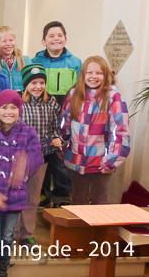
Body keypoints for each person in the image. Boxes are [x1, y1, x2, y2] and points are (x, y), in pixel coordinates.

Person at [0, 90, 42, 277]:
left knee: (8, 236)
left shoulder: (28, 132)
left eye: (14, 108)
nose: (9, 112)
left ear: (19, 110)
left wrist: (26, 162)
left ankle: (2, 269)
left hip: (16, 196)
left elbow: (37, 158)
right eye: (4, 107)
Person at [61, 56, 130, 205]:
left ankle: (98, 229)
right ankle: (79, 229)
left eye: (98, 73)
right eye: (89, 72)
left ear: (106, 75)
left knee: (100, 201)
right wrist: (63, 148)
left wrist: (111, 161)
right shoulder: (74, 94)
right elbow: (64, 124)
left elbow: (121, 131)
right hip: (76, 159)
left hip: (101, 162)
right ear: (83, 75)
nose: (93, 76)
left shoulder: (114, 97)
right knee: (78, 199)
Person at [17, 64, 65, 247]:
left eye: (41, 82)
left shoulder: (51, 103)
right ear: (26, 84)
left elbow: (56, 129)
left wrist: (57, 139)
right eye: (33, 82)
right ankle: (10, 233)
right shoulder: (18, 102)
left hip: (41, 160)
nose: (38, 86)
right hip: (20, 160)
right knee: (15, 196)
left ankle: (27, 234)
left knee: (33, 198)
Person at [32, 21, 82, 106]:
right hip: (40, 107)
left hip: (67, 107)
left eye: (60, 35)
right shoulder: (34, 62)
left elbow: (79, 89)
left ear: (65, 40)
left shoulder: (76, 63)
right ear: (44, 41)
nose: (56, 39)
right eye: (51, 36)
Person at [0, 26, 32, 91]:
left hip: (22, 99)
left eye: (11, 40)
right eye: (4, 41)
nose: (8, 44)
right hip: (3, 99)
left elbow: (33, 82)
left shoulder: (26, 60)